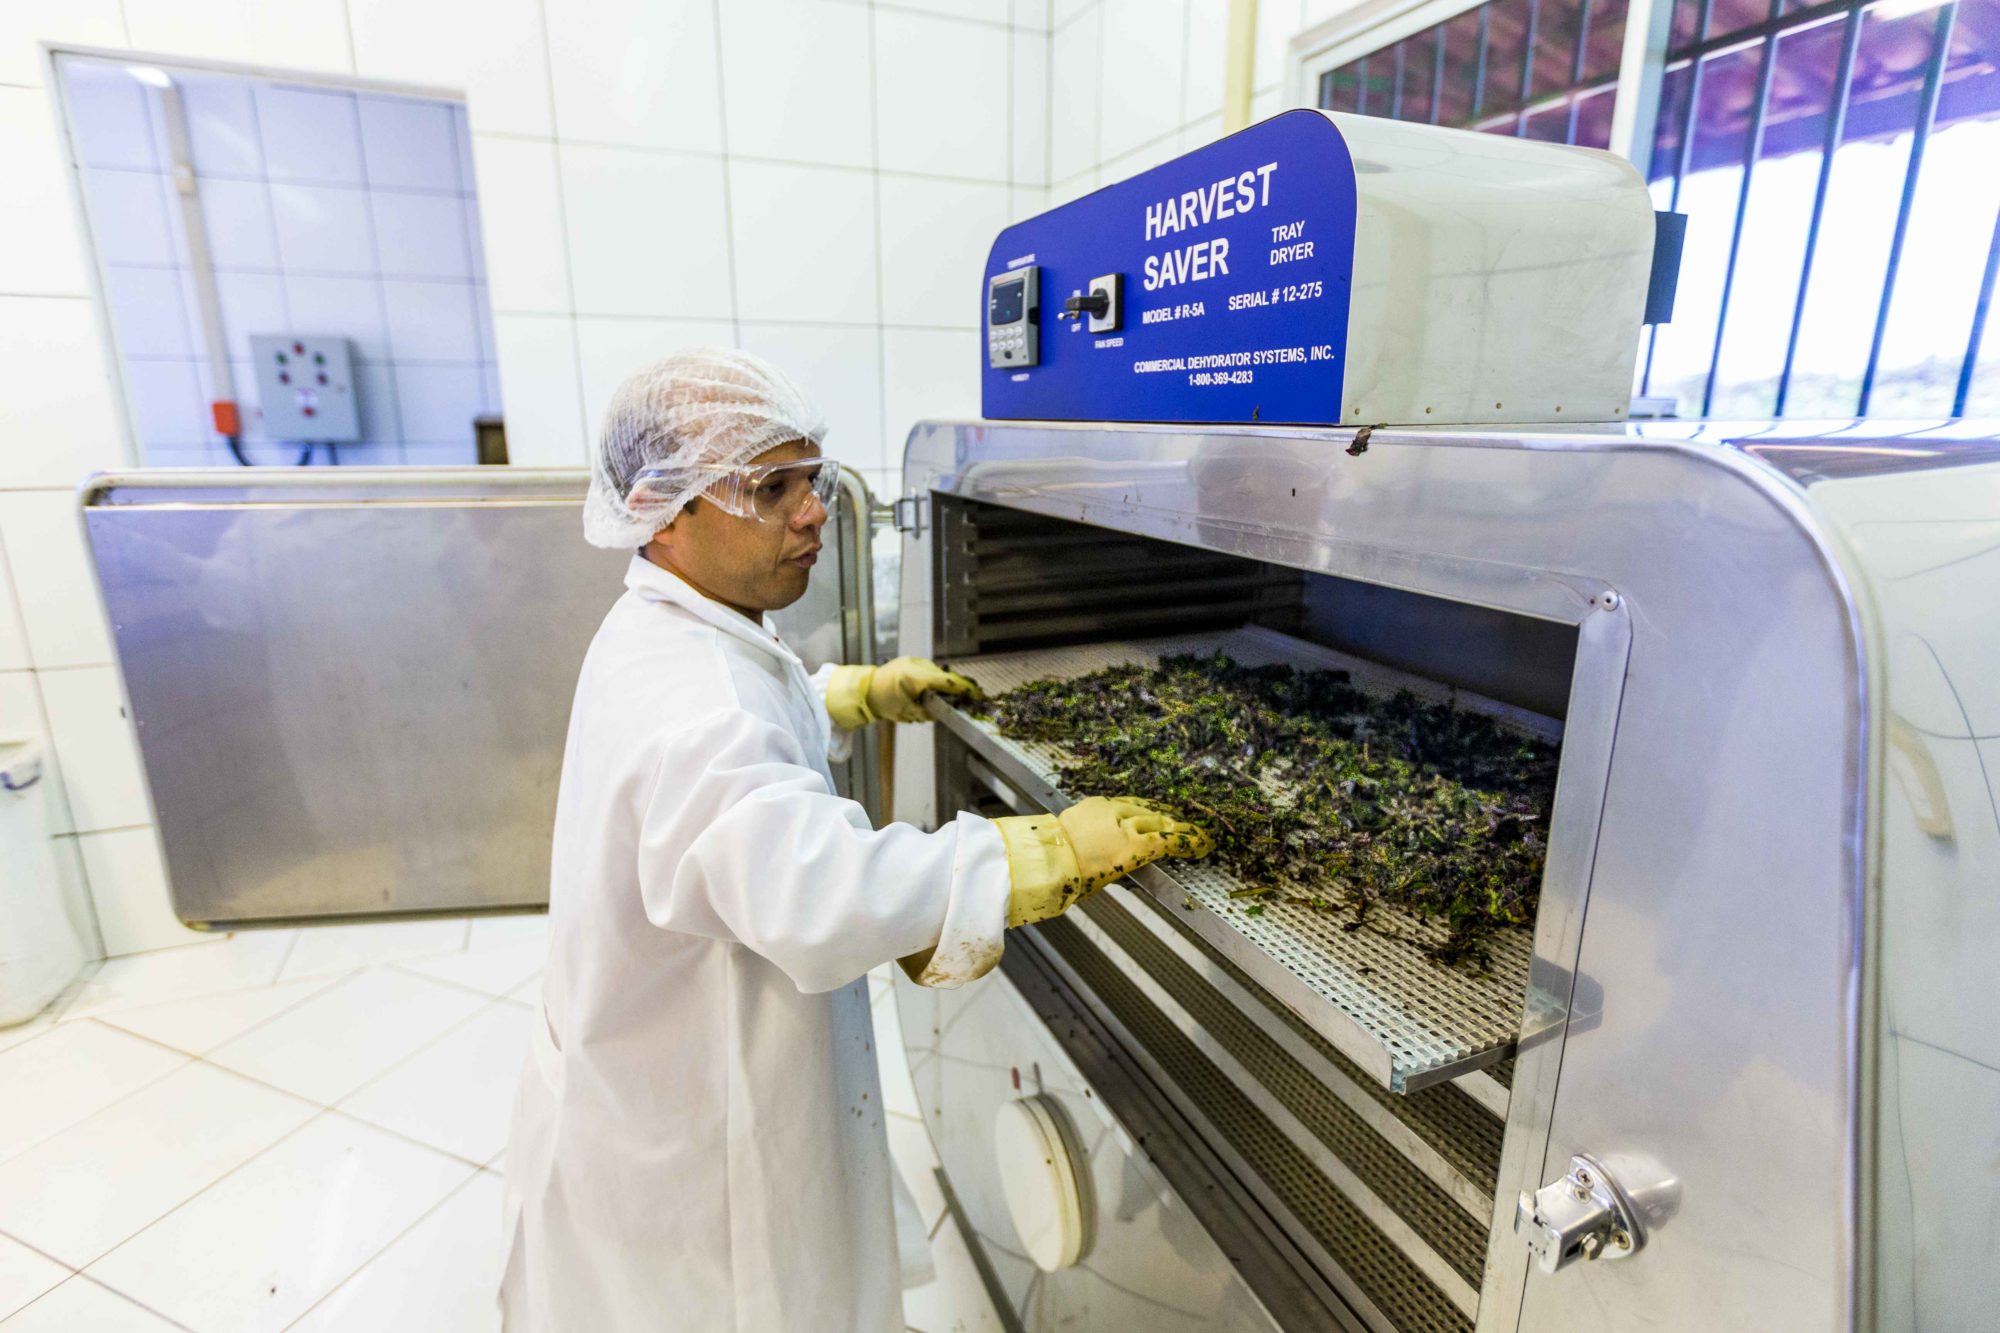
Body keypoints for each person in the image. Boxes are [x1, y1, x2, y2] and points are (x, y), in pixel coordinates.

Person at [499, 348, 1213, 1331]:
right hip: (698, 1153)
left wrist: (844, 692)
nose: (813, 512)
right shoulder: (696, 710)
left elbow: (750, 738)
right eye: (771, 487)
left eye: (815, 479)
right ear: (666, 511)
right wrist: (1036, 851)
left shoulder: (668, 629)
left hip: (630, 1077)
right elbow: (819, 889)